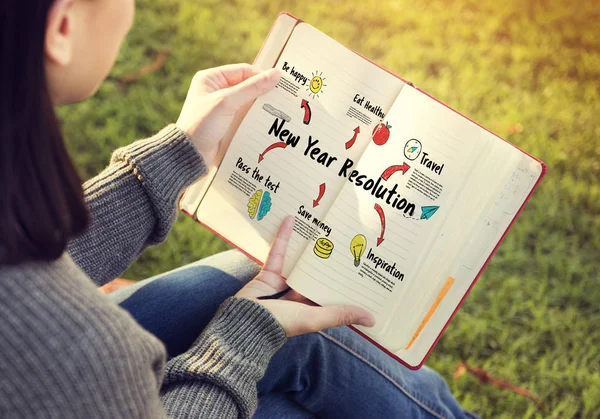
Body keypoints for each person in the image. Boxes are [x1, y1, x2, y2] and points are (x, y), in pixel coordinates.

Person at [0, 0, 475, 417]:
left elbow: (21, 257)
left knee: (253, 284)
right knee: (295, 351)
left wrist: (173, 157)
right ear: (62, 27)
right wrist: (239, 341)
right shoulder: (81, 348)